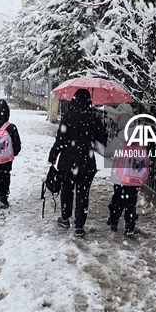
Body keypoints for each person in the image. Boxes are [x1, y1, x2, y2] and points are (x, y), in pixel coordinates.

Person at [48, 89, 107, 237]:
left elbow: (60, 139)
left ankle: (65, 218)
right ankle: (79, 226)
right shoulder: (93, 117)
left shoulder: (68, 116)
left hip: (67, 162)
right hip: (86, 162)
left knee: (67, 190)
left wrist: (53, 154)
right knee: (83, 194)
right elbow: (103, 138)